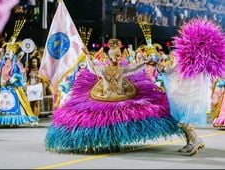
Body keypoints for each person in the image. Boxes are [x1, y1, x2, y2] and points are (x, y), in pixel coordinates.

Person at [44, 38, 182, 153]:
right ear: (109, 56)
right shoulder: (103, 68)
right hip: (104, 98)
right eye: (115, 55)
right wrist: (87, 56)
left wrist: (144, 63)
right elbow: (92, 68)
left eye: (119, 55)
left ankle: (115, 141)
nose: (117, 58)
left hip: (120, 98)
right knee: (104, 121)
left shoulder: (122, 69)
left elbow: (134, 69)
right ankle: (109, 141)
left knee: (118, 120)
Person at [160, 19, 225, 156]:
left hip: (187, 94)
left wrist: (163, 69)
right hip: (189, 93)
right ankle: (190, 143)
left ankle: (196, 140)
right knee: (183, 121)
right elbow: (174, 69)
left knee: (182, 122)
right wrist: (163, 69)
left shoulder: (193, 57)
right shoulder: (198, 58)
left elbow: (172, 69)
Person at [0, 37, 38, 126]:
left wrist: (13, 79)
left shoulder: (16, 65)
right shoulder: (2, 64)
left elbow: (19, 75)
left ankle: (14, 121)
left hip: (12, 87)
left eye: (10, 52)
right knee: (4, 105)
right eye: (7, 52)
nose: (8, 54)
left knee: (12, 104)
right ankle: (5, 122)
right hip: (4, 88)